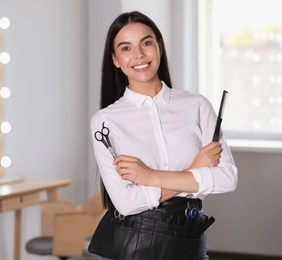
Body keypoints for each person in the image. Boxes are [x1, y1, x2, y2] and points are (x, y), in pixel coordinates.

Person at [88, 11, 238, 260]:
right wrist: (194, 169)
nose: (138, 55)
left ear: (159, 46)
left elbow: (227, 178)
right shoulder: (105, 121)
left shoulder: (197, 106)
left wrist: (149, 176)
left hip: (188, 241)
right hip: (130, 246)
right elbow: (126, 202)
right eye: (126, 48)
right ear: (115, 59)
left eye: (146, 43)